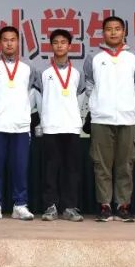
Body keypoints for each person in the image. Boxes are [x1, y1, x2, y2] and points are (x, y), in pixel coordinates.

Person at [83, 16, 135, 222]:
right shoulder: (94, 57)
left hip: (127, 119)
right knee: (101, 164)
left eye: (117, 29)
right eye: (109, 29)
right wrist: (98, 105)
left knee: (125, 164)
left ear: (124, 32)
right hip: (101, 118)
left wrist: (128, 106)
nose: (113, 32)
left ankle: (123, 205)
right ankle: (105, 205)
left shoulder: (134, 57)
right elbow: (90, 86)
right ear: (103, 33)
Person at [0, 26, 38, 221]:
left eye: (13, 39)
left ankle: (20, 204)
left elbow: (31, 94)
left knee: (20, 166)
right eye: (5, 40)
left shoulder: (29, 66)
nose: (9, 43)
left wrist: (24, 113)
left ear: (18, 42)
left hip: (21, 125)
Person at [35, 29, 86, 222]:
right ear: (51, 46)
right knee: (51, 168)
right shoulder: (44, 72)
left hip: (71, 126)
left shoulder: (77, 73)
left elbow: (81, 98)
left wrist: (75, 117)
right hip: (51, 126)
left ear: (69, 46)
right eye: (56, 42)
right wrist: (45, 119)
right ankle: (50, 206)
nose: (59, 45)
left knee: (71, 169)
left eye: (63, 42)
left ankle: (70, 207)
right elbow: (39, 99)